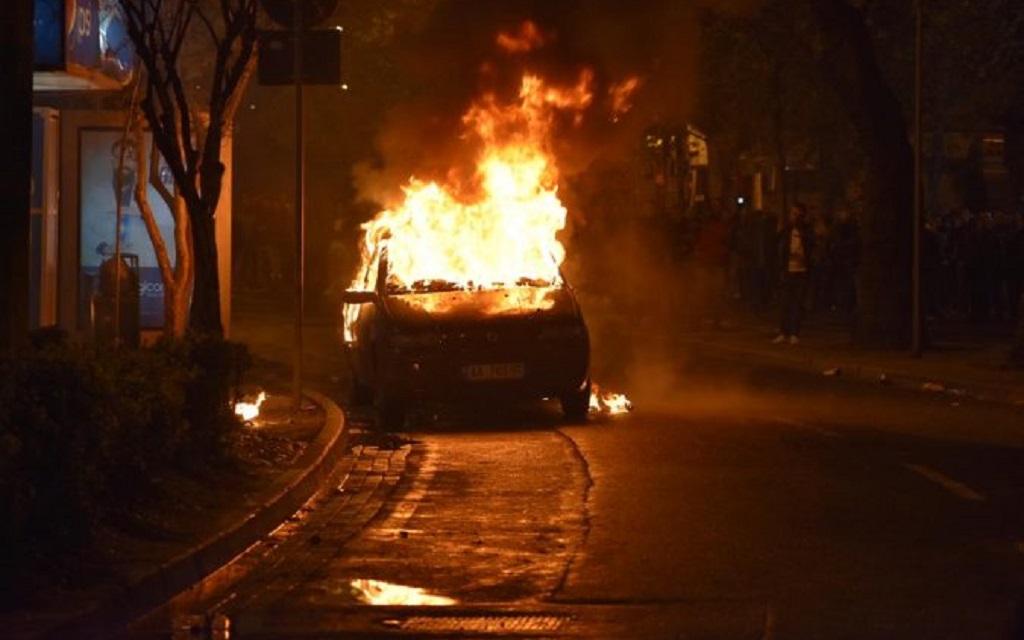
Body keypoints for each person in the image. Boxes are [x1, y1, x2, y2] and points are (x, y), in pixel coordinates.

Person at [773, 202, 815, 344]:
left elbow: (811, 245)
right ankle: (783, 331)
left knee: (797, 303)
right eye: (792, 214)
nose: (794, 217)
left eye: (797, 214)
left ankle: (794, 332)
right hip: (788, 270)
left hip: (801, 270)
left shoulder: (807, 229)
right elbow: (778, 243)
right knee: (785, 302)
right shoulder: (787, 229)